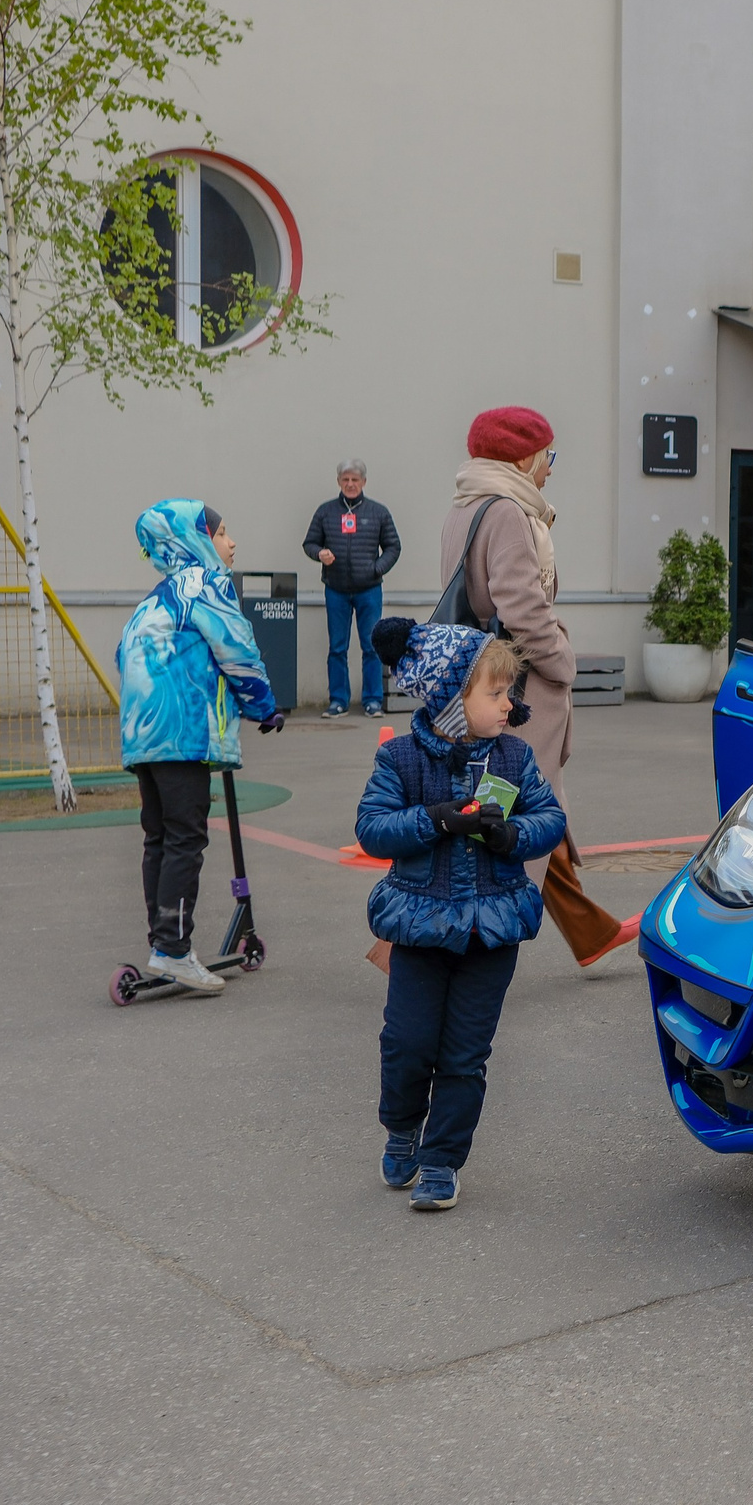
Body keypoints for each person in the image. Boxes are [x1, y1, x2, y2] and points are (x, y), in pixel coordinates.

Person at [357, 620, 568, 1210]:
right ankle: (402, 1127)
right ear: (452, 698)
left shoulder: (515, 757)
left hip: (491, 930)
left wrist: (512, 836)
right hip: (421, 931)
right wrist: (436, 820)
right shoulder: (400, 759)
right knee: (407, 1041)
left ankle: (442, 1160)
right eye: (495, 694)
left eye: (509, 692)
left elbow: (550, 819)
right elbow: (372, 829)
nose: (510, 704)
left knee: (465, 1053)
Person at [438, 406, 635, 969]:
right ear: (522, 457)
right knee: (507, 811)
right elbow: (522, 608)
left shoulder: (468, 506)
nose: (550, 466)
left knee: (519, 803)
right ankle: (426, 942)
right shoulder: (506, 512)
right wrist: (564, 662)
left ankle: (589, 930)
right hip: (518, 689)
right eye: (547, 454)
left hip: (488, 683)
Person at [115, 500, 285, 994]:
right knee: (186, 838)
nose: (232, 543)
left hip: (143, 738)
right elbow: (237, 648)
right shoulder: (206, 585)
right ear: (196, 539)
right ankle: (173, 951)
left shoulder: (153, 599)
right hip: (183, 731)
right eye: (223, 533)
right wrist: (262, 704)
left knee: (161, 838)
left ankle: (164, 940)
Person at [303, 459, 401, 719]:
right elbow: (309, 543)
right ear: (338, 482)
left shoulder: (378, 512)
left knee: (371, 646)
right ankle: (338, 700)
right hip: (335, 590)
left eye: (355, 480)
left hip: (369, 590)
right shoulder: (325, 512)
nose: (350, 484)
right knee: (337, 647)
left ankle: (372, 701)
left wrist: (377, 568)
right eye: (345, 479)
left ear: (364, 482)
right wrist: (319, 553)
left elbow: (393, 547)